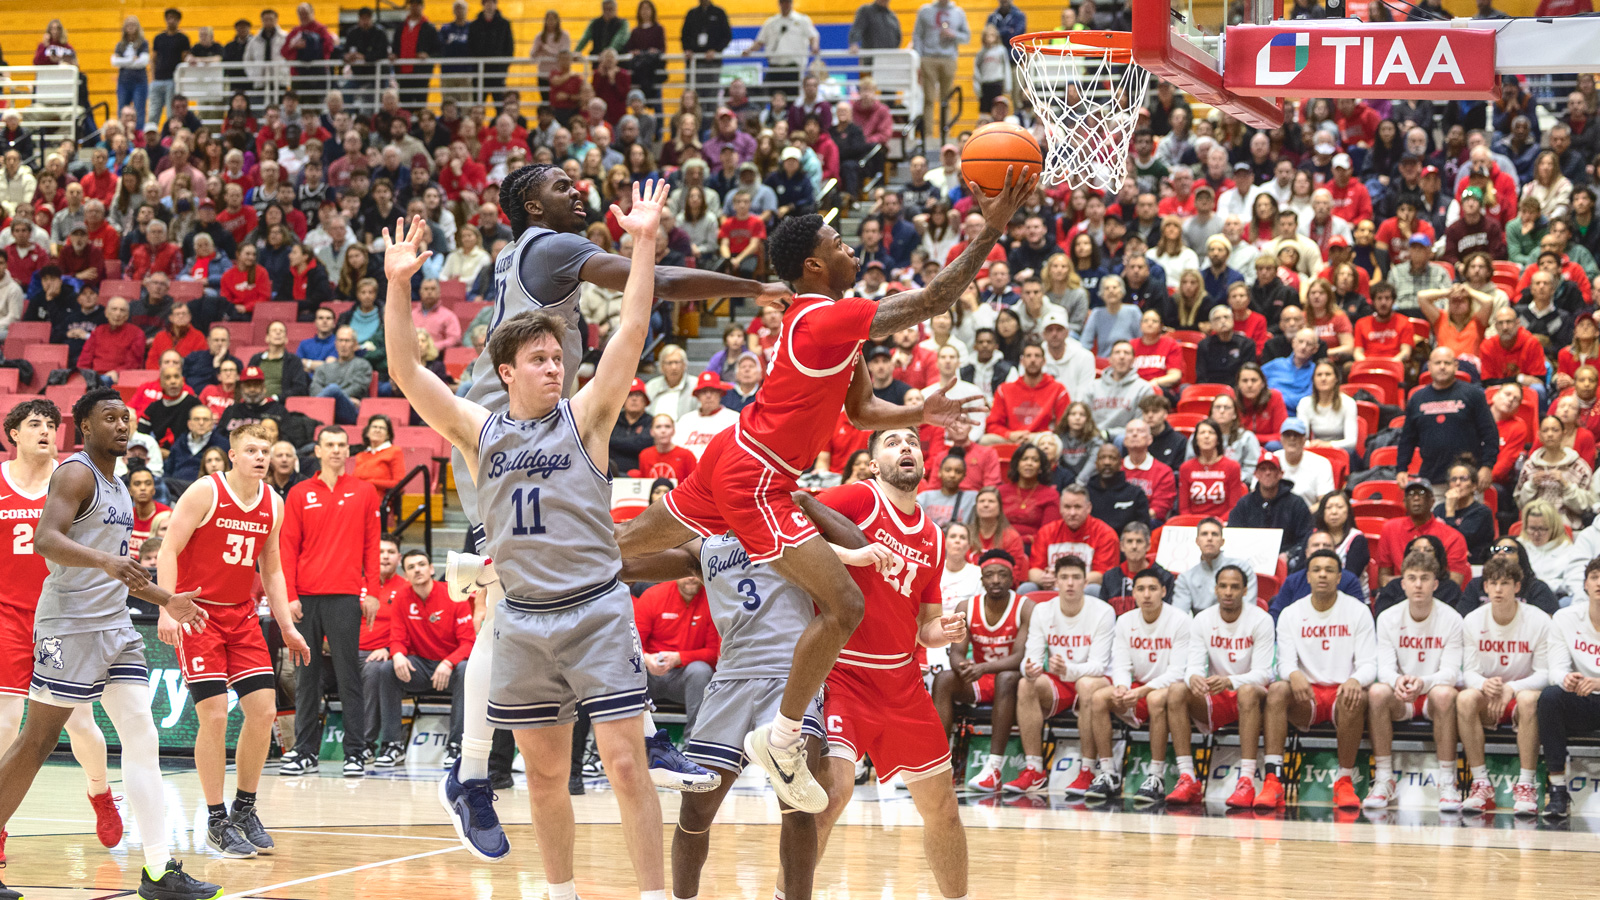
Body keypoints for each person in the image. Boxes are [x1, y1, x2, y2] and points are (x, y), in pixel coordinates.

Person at [614, 173, 1032, 812]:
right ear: (814, 263)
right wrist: (993, 227)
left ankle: (502, 572)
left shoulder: (830, 324)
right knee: (842, 605)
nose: (852, 250)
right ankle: (781, 741)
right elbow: (935, 297)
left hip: (734, 453)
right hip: (757, 475)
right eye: (840, 242)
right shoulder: (827, 318)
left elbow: (861, 410)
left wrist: (921, 411)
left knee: (615, 554)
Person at [385, 193, 688, 882]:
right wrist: (399, 285)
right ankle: (559, 893)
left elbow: (633, 329)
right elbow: (406, 372)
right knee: (545, 777)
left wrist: (643, 242)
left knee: (625, 766)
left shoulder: (586, 418)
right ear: (507, 372)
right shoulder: (477, 432)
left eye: (558, 356)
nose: (556, 367)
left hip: (595, 610)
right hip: (522, 620)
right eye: (541, 359)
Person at [0, 388, 218, 900]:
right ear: (84, 427)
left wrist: (169, 600)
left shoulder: (120, 487)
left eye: (127, 418)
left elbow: (124, 570)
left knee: (141, 735)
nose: (122, 426)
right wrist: (103, 563)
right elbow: (45, 539)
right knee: (36, 742)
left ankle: (160, 870)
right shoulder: (75, 473)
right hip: (68, 625)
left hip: (116, 626)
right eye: (110, 418)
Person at [156, 422, 308, 858]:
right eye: (253, 450)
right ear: (233, 455)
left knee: (263, 712)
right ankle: (215, 818)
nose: (261, 457)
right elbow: (168, 550)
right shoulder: (206, 491)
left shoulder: (273, 504)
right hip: (199, 615)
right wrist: (168, 607)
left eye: (267, 449)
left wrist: (287, 625)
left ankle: (244, 808)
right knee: (216, 717)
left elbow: (273, 570)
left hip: (241, 616)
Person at [0, 401, 125, 862]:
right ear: (13, 433)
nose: (47, 431)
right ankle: (1, 826)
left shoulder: (73, 476)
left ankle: (100, 793)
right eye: (35, 424)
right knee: (7, 722)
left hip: (64, 616)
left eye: (53, 425)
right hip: (8, 615)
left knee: (82, 728)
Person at [277, 424, 382, 778]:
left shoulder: (365, 492)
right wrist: (289, 596)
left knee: (348, 674)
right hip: (306, 598)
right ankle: (305, 751)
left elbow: (372, 545)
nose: (336, 450)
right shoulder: (299, 492)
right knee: (306, 677)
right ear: (318, 451)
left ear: (348, 450)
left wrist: (372, 593)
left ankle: (356, 751)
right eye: (330, 445)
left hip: (346, 597)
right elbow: (287, 548)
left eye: (342, 445)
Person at [1256, 549, 1376, 810]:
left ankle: (1344, 781)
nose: (1323, 574)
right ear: (1307, 576)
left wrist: (1356, 679)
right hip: (1306, 694)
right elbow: (1285, 662)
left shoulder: (1358, 611)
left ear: (1339, 577)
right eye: (1317, 570)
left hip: (1342, 694)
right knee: (1276, 690)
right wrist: (1293, 674)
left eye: (1329, 570)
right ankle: (1273, 779)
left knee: (1356, 696)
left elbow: (1369, 664)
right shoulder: (1290, 613)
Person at [1364, 549, 1466, 811]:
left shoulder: (1452, 619)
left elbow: (1451, 673)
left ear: (1435, 583)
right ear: (1403, 583)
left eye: (1424, 578)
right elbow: (1383, 668)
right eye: (1412, 578)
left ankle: (1447, 782)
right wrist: (1398, 682)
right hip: (1402, 696)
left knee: (1445, 693)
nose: (1418, 584)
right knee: (1376, 692)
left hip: (1432, 696)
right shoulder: (1387, 618)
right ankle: (1384, 779)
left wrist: (1422, 682)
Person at [1007, 555, 1116, 795]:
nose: (1070, 583)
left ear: (1085, 581)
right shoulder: (1042, 611)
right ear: (1055, 581)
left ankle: (1087, 770)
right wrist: (1030, 668)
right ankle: (1034, 770)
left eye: (1076, 578)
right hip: (1061, 678)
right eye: (1064, 577)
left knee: (1086, 685)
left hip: (1094, 679)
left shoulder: (1103, 611)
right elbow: (1031, 656)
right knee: (1026, 684)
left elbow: (1099, 665)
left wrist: (1070, 670)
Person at [1457, 552, 1550, 815]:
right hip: (1490, 697)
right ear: (1485, 586)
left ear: (1517, 587)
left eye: (1505, 583)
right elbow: (1469, 673)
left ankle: (1526, 784)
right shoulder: (1473, 620)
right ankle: (1481, 782)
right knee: (1465, 698)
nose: (1498, 589)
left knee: (1529, 699)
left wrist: (1512, 688)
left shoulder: (1539, 620)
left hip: (1522, 699)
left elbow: (1546, 673)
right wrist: (1485, 685)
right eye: (1493, 583)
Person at [1090, 568, 1192, 805]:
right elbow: (1121, 664)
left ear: (1164, 592)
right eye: (1141, 589)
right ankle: (1108, 773)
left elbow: (1178, 671)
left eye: (1153, 589)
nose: (1147, 595)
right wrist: (1122, 688)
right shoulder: (1124, 621)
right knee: (1098, 698)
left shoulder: (1180, 620)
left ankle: (1156, 776)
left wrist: (1142, 691)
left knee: (1156, 699)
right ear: (1133, 593)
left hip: (1170, 687)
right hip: (1137, 685)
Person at [1177, 564, 1275, 807]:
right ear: (1215, 589)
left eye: (1234, 587)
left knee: (1248, 691)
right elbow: (1193, 665)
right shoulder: (1202, 619)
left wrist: (1230, 681)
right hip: (1217, 693)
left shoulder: (1261, 619)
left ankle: (1247, 780)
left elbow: (1264, 674)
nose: (1228, 592)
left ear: (1245, 590)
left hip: (1251, 695)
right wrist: (1194, 678)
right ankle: (1187, 777)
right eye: (1223, 586)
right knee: (1177, 691)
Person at [933, 550, 1028, 791]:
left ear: (1012, 577)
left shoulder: (1025, 607)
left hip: (1012, 683)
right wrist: (962, 666)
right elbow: (955, 652)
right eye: (989, 575)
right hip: (979, 678)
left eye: (1002, 574)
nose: (996, 580)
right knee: (943, 679)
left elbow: (1019, 657)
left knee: (1006, 678)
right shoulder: (966, 606)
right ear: (981, 579)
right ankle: (939, 765)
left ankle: (993, 768)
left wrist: (983, 667)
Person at [372, 550, 474, 766]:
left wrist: (448, 663)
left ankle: (457, 746)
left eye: (421, 564)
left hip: (450, 669)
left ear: (431, 569)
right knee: (387, 670)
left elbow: (468, 642)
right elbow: (397, 637)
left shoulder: (455, 595)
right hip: (420, 668)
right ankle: (392, 745)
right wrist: (397, 654)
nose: (417, 569)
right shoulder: (401, 597)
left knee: (466, 670)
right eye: (411, 567)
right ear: (406, 574)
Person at [1538, 559, 1600, 820]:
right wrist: (1568, 680)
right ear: (1585, 584)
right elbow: (1555, 670)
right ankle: (1558, 790)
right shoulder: (1566, 618)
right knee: (1550, 697)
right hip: (1583, 700)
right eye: (1595, 576)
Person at [1398, 347, 1499, 501]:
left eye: (1447, 362)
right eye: (1438, 363)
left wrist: (1487, 466)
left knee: (1469, 524)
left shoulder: (1473, 394)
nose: (1442, 366)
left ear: (1456, 366)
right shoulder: (1417, 398)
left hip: (1468, 480)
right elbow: (1407, 439)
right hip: (1433, 479)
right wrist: (1401, 469)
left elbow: (1490, 434)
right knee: (1436, 524)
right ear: (1429, 367)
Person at [634, 571, 719, 741]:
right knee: (631, 668)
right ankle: (631, 742)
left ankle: (695, 744)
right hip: (649, 675)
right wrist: (647, 659)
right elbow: (632, 643)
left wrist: (679, 658)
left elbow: (713, 653)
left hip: (684, 678)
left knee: (700, 671)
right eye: (685, 572)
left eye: (697, 573)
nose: (691, 577)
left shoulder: (711, 601)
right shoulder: (653, 596)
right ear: (673, 573)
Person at [910, 0, 969, 153]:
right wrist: (918, 61)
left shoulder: (958, 12)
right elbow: (917, 36)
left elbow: (967, 36)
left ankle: (945, 133)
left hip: (949, 59)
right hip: (928, 58)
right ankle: (929, 135)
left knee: (946, 100)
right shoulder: (925, 10)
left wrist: (953, 34)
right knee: (928, 98)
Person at [1515, 414, 1594, 528]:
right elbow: (1520, 504)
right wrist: (1531, 486)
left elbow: (1585, 506)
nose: (1550, 434)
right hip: (1534, 527)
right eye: (1545, 430)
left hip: (1569, 528)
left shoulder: (1579, 467)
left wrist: (1566, 486)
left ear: (1563, 433)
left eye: (1555, 430)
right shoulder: (1529, 466)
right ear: (1540, 435)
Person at [1228, 451, 1313, 556]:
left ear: (1280, 474)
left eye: (1272, 469)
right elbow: (1233, 536)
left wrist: (1289, 555)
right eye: (1263, 469)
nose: (1267, 473)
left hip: (1287, 561)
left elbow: (1306, 538)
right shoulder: (1244, 504)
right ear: (1256, 474)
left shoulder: (1296, 504)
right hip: (1250, 558)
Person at [1171, 517, 1257, 614]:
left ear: (1222, 541)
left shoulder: (1243, 569)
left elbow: (1249, 610)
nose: (1209, 538)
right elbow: (1180, 617)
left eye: (1214, 534)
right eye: (1204, 534)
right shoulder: (1186, 578)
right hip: (1201, 627)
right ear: (1197, 541)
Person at [1081, 341, 1155, 439]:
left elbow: (1141, 424)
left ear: (1133, 360)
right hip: (1093, 437)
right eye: (1117, 352)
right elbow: (1083, 417)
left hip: (1127, 439)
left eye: (1126, 353)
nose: (1122, 357)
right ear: (1110, 359)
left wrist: (1108, 434)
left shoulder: (1144, 388)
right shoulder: (1092, 386)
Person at [1178, 421, 1245, 520]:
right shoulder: (1185, 468)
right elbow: (1184, 509)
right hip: (1193, 525)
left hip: (1223, 524)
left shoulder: (1232, 467)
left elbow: (1234, 507)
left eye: (1211, 432)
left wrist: (1217, 524)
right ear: (1196, 440)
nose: (1206, 436)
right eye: (1202, 432)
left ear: (1218, 439)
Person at [309, 326, 373, 425]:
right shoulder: (323, 368)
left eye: (347, 341)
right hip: (325, 408)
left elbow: (358, 388)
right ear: (336, 343)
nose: (343, 344)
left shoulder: (363, 365)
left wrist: (339, 396)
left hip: (349, 411)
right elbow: (315, 389)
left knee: (334, 389)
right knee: (333, 389)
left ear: (355, 344)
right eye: (340, 340)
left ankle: (309, 412)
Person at [1276, 418, 1337, 509]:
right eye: (1287, 435)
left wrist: (1301, 516)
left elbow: (1325, 502)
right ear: (1281, 439)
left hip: (1309, 516)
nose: (1292, 438)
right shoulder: (1272, 460)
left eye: (1296, 435)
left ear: (1304, 439)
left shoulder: (1321, 464)